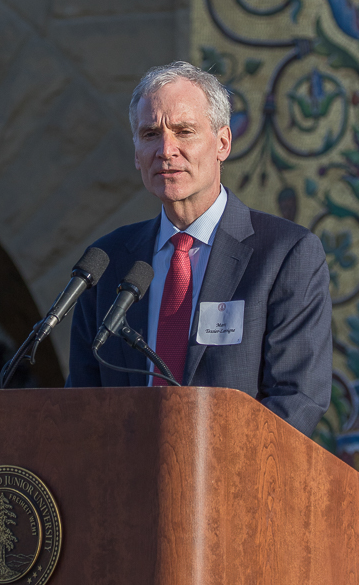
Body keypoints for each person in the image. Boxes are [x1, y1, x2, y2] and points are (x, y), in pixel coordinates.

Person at [67, 61, 332, 437]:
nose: (166, 150)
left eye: (184, 132)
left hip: (236, 484)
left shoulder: (284, 254)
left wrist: (210, 472)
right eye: (150, 134)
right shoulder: (107, 262)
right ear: (136, 152)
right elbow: (80, 402)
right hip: (127, 486)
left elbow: (298, 399)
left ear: (222, 143)